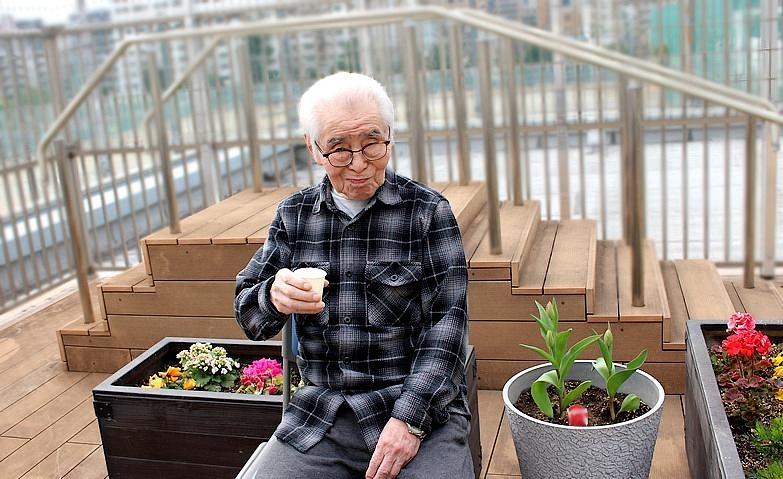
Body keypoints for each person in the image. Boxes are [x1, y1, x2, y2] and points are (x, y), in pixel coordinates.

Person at [234, 72, 472, 479]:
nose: (359, 164)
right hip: (323, 414)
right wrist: (273, 296)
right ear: (313, 148)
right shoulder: (293, 216)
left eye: (372, 144)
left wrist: (409, 421)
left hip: (420, 408)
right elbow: (249, 317)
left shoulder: (427, 212)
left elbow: (447, 328)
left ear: (389, 137)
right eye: (339, 149)